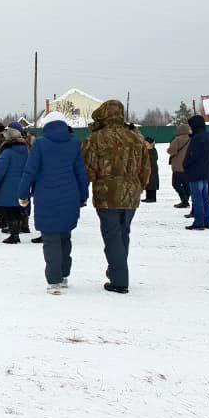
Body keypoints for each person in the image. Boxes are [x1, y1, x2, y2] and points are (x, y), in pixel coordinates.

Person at [81, 101, 150, 294]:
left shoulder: (96, 138)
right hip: (131, 194)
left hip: (107, 194)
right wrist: (139, 186)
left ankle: (119, 280)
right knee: (123, 234)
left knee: (112, 236)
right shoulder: (136, 137)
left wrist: (83, 189)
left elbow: (88, 169)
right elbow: (146, 168)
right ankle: (116, 271)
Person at [17, 111, 89, 294]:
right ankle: (64, 275)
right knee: (65, 237)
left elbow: (29, 171)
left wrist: (22, 194)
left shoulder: (40, 144)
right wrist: (83, 195)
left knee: (50, 240)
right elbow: (81, 172)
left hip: (46, 197)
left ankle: (54, 281)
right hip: (70, 196)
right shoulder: (74, 143)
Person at [0, 128, 30, 243]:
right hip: (22, 185)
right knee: (18, 210)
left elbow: (0, 171)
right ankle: (16, 233)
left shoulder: (7, 152)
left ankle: (14, 235)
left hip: (7, 187)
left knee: (9, 211)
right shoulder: (26, 150)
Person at [182, 115, 209, 230]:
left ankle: (199, 222)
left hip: (196, 172)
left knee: (197, 198)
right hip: (205, 172)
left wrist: (185, 164)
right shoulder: (207, 136)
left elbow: (192, 155)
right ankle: (207, 221)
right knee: (205, 197)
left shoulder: (198, 138)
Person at [166, 124, 191, 208]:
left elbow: (171, 151)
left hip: (178, 166)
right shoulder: (191, 139)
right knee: (186, 184)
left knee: (175, 184)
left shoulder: (177, 139)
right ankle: (186, 200)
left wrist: (168, 150)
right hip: (188, 166)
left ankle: (184, 201)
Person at [143, 136, 159, 203]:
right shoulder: (147, 150)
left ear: (149, 143)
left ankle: (153, 198)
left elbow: (152, 159)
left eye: (146, 142)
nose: (144, 143)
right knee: (148, 183)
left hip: (152, 169)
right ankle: (148, 197)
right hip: (147, 169)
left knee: (152, 183)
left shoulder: (152, 150)